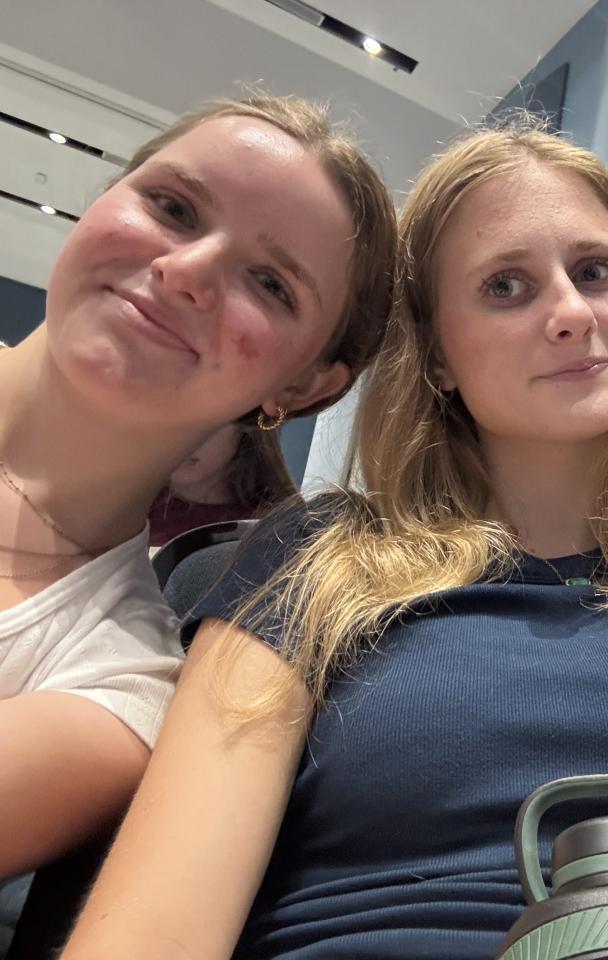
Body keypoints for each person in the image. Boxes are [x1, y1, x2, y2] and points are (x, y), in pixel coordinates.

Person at [62, 121, 608, 960]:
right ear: (436, 356)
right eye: (507, 286)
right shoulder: (309, 562)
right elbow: (162, 918)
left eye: (594, 272)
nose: (570, 312)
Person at [0, 94, 396, 883]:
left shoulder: (119, 688)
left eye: (271, 284)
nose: (183, 273)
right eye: (172, 207)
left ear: (304, 386)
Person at [148, 423, 297, 547]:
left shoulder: (278, 534)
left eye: (206, 415)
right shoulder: (136, 511)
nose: (182, 437)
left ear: (247, 419)